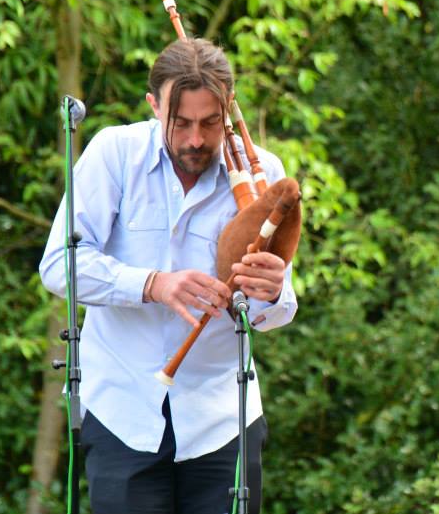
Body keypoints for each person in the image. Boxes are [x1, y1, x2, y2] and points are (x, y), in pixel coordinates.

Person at [39, 38, 297, 514]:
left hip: (222, 420)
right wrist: (153, 284)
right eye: (180, 123)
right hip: (123, 410)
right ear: (154, 105)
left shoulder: (261, 172)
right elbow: (59, 265)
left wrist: (272, 291)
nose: (196, 140)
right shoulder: (113, 154)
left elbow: (274, 311)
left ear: (228, 109)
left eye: (210, 123)